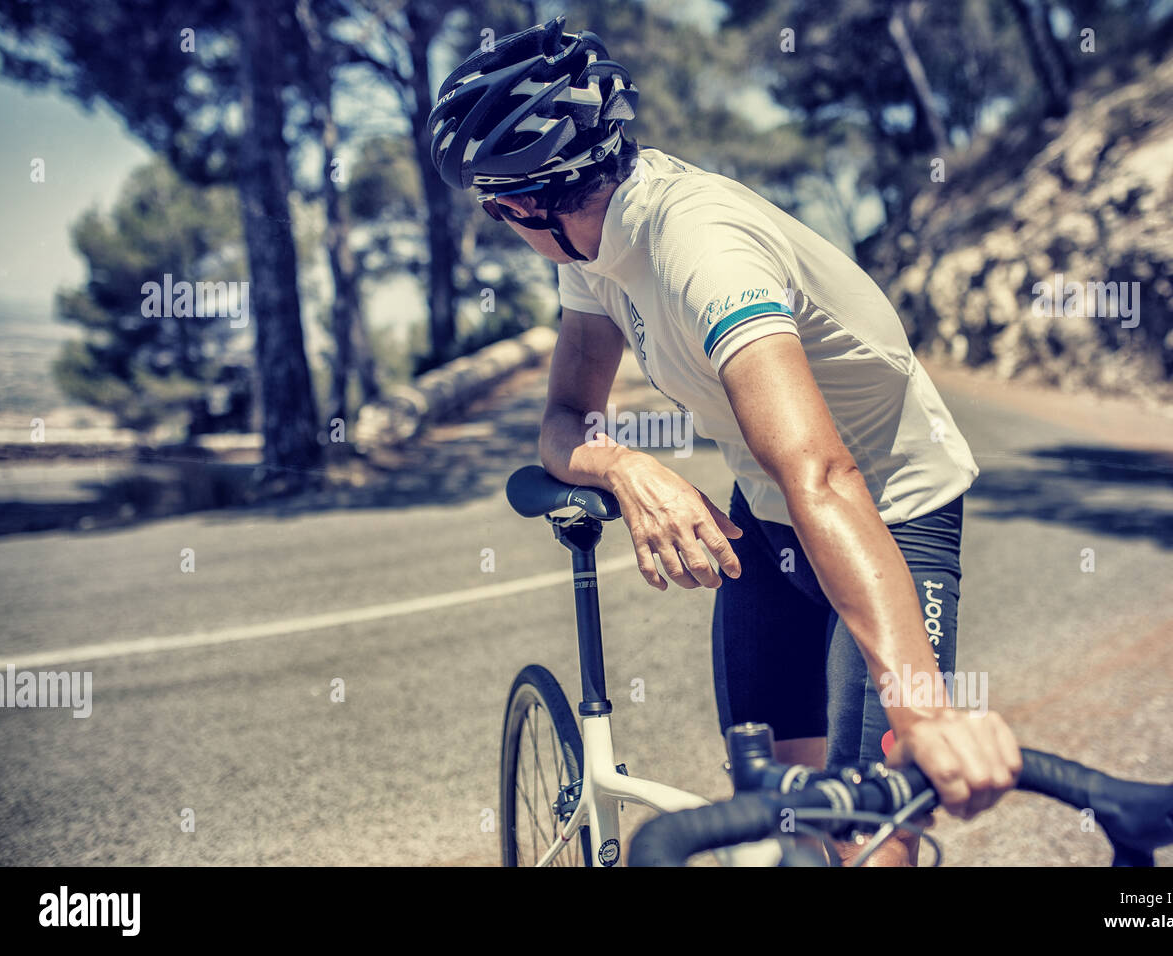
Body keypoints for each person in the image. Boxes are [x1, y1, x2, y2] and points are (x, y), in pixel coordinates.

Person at [428, 16, 1022, 865]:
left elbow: (821, 471)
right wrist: (624, 466)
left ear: (522, 203)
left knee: (871, 833)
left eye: (492, 212)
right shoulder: (589, 248)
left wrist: (925, 710)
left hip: (886, 509)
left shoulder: (701, 247)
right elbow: (564, 418)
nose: (501, 226)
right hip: (772, 510)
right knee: (781, 813)